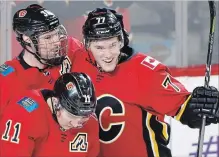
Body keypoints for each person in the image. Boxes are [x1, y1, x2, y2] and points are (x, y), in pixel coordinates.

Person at [48, 8, 219, 157]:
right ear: (87, 46)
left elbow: (186, 111)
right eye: (99, 48)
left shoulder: (146, 72)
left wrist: (203, 106)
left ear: (122, 41)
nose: (107, 54)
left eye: (112, 45)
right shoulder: (77, 59)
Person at [0, 4, 82, 114]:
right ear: (27, 39)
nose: (57, 42)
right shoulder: (8, 78)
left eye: (57, 34)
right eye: (48, 37)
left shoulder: (72, 47)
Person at [0, 72, 99, 157]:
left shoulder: (91, 122)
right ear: (56, 102)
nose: (76, 124)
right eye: (72, 116)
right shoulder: (23, 114)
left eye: (84, 117)